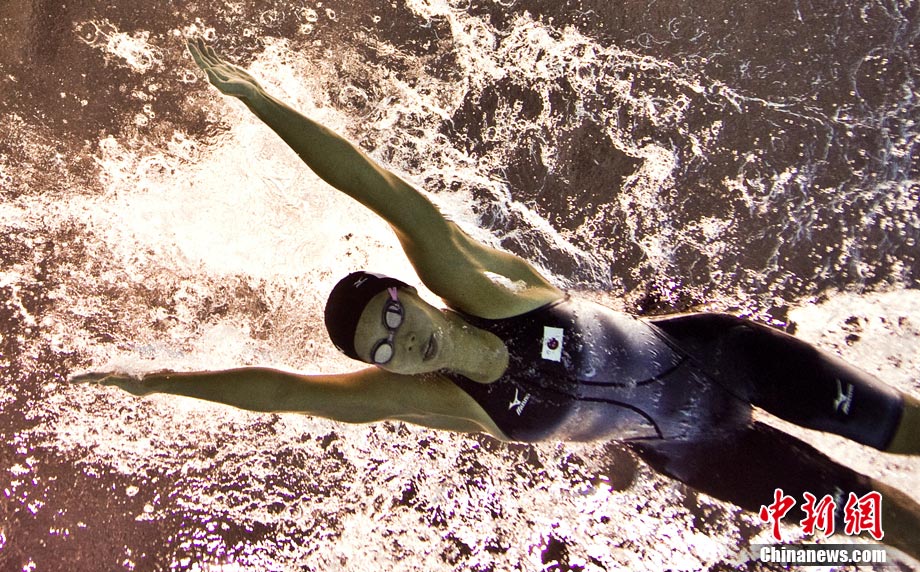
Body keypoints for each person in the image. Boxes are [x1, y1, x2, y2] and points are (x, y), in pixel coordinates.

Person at [74, 39, 920, 560]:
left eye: (393, 316)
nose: (400, 343)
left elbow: (379, 189)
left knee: (898, 429)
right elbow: (283, 393)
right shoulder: (447, 405)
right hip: (697, 452)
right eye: (381, 349)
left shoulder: (481, 287)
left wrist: (263, 103)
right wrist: (162, 383)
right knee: (877, 520)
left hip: (725, 358)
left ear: (413, 293)